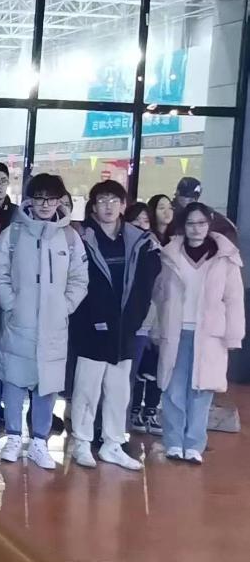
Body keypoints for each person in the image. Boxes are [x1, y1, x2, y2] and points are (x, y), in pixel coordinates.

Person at [0, 173, 87, 471]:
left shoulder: (70, 237)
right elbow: (1, 273)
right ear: (30, 201)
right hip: (18, 321)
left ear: (60, 201)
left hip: (54, 324)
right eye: (40, 198)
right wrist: (10, 303)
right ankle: (13, 436)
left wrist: (64, 306)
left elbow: (80, 279)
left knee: (48, 384)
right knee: (14, 380)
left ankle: (39, 441)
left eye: (51, 198)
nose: (45, 204)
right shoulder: (13, 234)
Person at [68, 181, 160, 471]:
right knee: (87, 389)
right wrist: (90, 319)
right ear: (93, 206)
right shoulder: (81, 237)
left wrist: (135, 320)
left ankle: (113, 444)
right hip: (91, 327)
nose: (107, 206)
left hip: (125, 328)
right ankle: (82, 442)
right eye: (102, 200)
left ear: (123, 205)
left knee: (119, 391)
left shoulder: (139, 240)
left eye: (113, 200)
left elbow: (146, 285)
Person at [151, 203, 243, 465]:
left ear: (209, 223)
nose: (196, 229)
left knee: (202, 391)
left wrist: (234, 335)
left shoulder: (225, 256)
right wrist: (157, 328)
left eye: (201, 223)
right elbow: (159, 294)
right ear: (183, 225)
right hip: (176, 330)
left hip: (210, 335)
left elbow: (234, 299)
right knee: (173, 390)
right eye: (191, 223)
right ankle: (173, 442)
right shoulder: (170, 253)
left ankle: (194, 445)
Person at [124, 202, 162, 434]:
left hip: (144, 324)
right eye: (136, 219)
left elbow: (157, 291)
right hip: (119, 323)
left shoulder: (154, 250)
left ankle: (124, 426)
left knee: (133, 375)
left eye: (145, 220)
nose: (140, 224)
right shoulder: (121, 246)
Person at [172, 176, 238, 241]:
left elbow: (230, 230)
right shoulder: (171, 213)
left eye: (195, 197)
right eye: (187, 196)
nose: (192, 200)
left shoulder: (211, 216)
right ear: (177, 193)